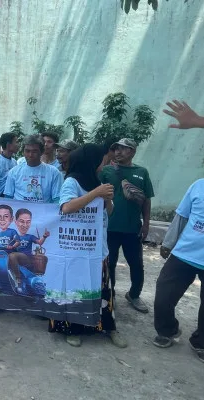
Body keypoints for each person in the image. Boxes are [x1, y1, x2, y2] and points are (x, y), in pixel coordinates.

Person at [50, 143, 127, 348]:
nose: (105, 164)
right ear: (90, 162)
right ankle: (73, 329)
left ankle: (109, 328)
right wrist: (95, 193)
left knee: (102, 290)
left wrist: (108, 200)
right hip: (76, 247)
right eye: (102, 160)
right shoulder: (72, 182)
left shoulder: (98, 181)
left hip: (97, 249)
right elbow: (66, 207)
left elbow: (107, 213)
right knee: (76, 289)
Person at [100, 138, 154, 313]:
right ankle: (111, 294)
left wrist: (146, 223)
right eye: (116, 149)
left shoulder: (142, 172)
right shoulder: (106, 171)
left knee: (136, 264)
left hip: (132, 228)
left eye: (123, 149)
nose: (118, 152)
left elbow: (146, 200)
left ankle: (134, 295)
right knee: (110, 263)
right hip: (110, 227)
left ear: (132, 151)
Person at [153, 178, 204, 362]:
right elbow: (181, 217)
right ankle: (167, 330)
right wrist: (168, 243)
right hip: (185, 253)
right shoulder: (198, 186)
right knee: (163, 296)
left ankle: (201, 342)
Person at [4, 135, 62, 203]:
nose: (30, 155)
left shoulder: (54, 172)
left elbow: (57, 199)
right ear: (23, 152)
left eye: (34, 151)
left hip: (43, 212)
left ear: (42, 152)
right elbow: (8, 198)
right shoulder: (13, 172)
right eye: (27, 151)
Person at [7, 209, 50, 293]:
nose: (25, 225)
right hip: (15, 260)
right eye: (22, 221)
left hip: (27, 259)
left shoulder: (30, 236)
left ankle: (18, 280)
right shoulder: (13, 237)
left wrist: (44, 236)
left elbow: (40, 242)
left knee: (13, 255)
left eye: (28, 222)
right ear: (15, 222)